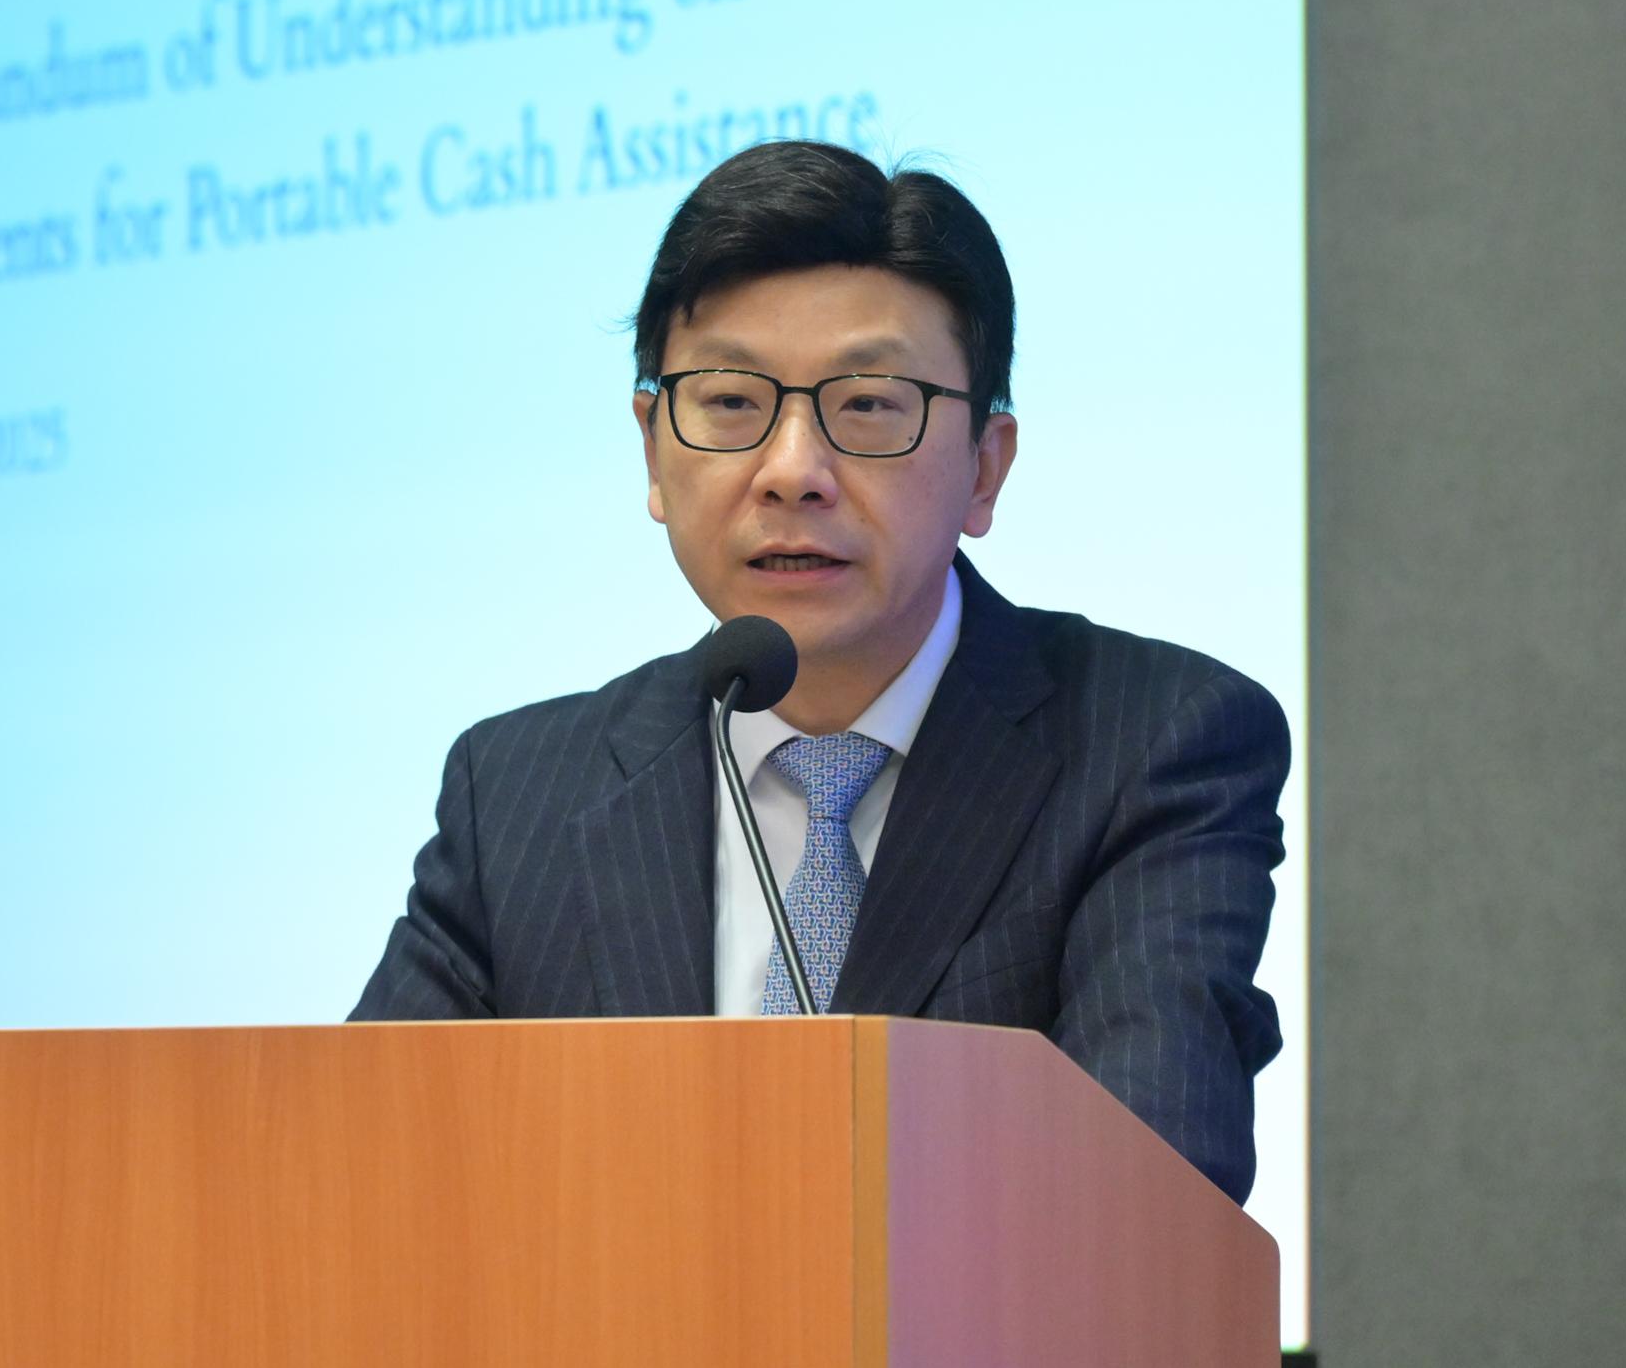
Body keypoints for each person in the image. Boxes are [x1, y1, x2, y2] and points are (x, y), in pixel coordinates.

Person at [349, 141, 1287, 1203]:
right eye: (731, 401)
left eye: (869, 404)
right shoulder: (516, 788)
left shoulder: (1154, 747)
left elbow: (1144, 1196)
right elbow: (364, 1186)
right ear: (654, 451)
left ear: (985, 466)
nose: (792, 470)